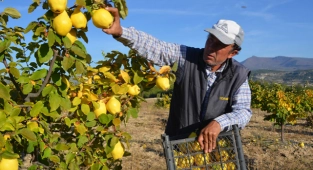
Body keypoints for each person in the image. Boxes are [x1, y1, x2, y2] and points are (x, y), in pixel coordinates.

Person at [102, 7, 252, 153]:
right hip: (181, 146)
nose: (211, 47)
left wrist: (219, 123)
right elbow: (156, 47)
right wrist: (121, 32)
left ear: (233, 53)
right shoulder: (186, 58)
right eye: (210, 40)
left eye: (219, 45)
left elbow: (243, 111)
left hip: (217, 149)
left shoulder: (238, 75)